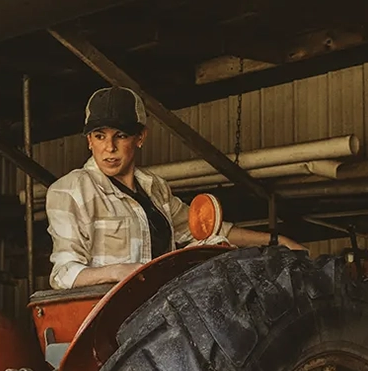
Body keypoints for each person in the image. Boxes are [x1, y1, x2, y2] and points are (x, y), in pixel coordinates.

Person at [46, 86, 305, 290]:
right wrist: (119, 272)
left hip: (161, 311)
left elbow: (203, 232)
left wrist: (275, 242)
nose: (109, 148)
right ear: (89, 140)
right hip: (109, 317)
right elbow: (63, 273)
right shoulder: (70, 190)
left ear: (140, 138)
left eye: (121, 136)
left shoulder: (155, 188)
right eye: (100, 136)